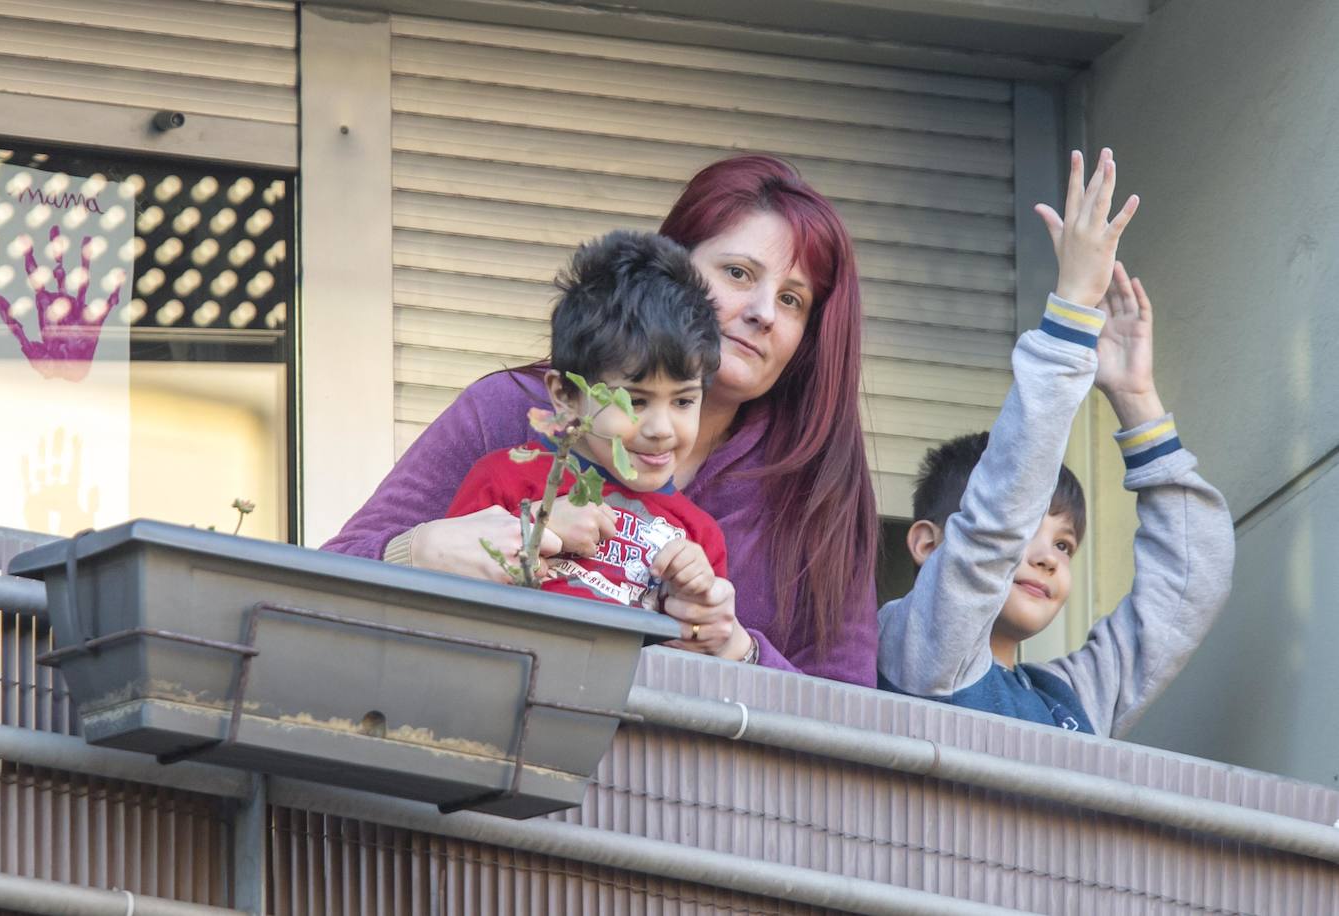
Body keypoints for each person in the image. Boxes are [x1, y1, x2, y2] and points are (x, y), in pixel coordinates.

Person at [322, 155, 879, 685]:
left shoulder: (819, 488)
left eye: (792, 300)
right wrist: (425, 552)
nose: (762, 312)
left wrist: (740, 650)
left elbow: (854, 720)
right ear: (671, 273)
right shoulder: (509, 410)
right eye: (737, 273)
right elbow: (328, 579)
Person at [876, 149, 1235, 736]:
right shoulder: (919, 651)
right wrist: (1070, 307)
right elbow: (997, 518)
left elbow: (1194, 580)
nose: (1047, 556)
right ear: (926, 542)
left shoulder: (1074, 696)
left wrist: (1135, 397)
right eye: (1033, 533)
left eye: (1065, 546)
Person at [446, 230, 728, 613]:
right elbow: (445, 597)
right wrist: (535, 528)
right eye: (635, 400)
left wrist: (693, 603)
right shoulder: (504, 481)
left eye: (683, 400)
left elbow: (698, 654)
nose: (661, 428)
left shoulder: (700, 539)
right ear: (565, 394)